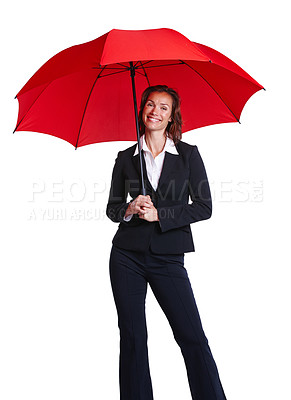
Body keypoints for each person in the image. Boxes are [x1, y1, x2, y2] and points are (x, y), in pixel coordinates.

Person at [106, 85, 227, 400]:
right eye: (149, 104)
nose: (154, 112)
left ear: (172, 116)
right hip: (125, 257)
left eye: (163, 107)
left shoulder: (188, 155)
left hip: (168, 257)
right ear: (142, 110)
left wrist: (161, 214)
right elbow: (112, 209)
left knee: (192, 337)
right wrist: (130, 209)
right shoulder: (125, 157)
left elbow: (204, 207)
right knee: (132, 338)